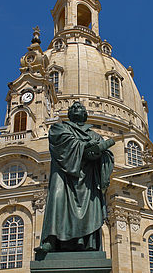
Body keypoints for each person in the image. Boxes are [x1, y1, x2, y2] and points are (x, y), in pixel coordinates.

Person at [35, 101, 115, 255]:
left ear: (85, 115)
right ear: (69, 114)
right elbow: (62, 143)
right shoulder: (60, 127)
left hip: (88, 178)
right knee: (57, 199)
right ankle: (50, 240)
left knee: (90, 205)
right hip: (64, 174)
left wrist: (99, 154)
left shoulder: (95, 135)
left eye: (80, 108)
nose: (77, 109)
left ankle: (87, 242)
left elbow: (106, 155)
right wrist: (85, 147)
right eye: (74, 107)